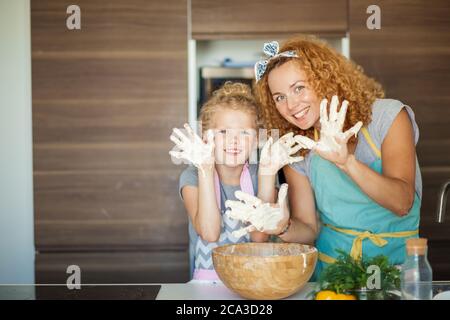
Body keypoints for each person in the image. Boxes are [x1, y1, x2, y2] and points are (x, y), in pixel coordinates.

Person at [253, 36, 422, 277]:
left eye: (298, 88)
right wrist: (283, 227)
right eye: (279, 97)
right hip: (333, 272)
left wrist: (346, 162)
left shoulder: (388, 117)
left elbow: (402, 203)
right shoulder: (296, 146)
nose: (291, 105)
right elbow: (309, 228)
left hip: (394, 269)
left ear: (324, 79)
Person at [169, 82, 302, 280]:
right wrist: (206, 169)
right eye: (223, 132)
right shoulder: (193, 176)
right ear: (206, 137)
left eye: (244, 133)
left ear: (257, 139)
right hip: (209, 284)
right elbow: (209, 233)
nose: (234, 140)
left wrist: (266, 174)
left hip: (255, 281)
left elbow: (260, 237)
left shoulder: (262, 174)